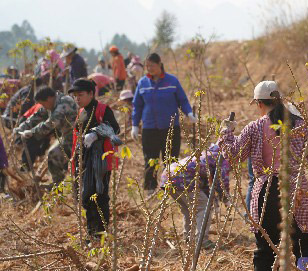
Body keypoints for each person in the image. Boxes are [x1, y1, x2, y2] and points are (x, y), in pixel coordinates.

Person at [218, 80, 308, 271]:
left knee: (265, 245)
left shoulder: (253, 128)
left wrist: (226, 133)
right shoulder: (300, 125)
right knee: (306, 240)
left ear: (259, 104)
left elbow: (233, 156)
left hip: (266, 190)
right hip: (297, 188)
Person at [132, 53, 196, 192]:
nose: (149, 68)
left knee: (171, 159)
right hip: (150, 129)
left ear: (160, 64)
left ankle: (171, 189)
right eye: (147, 66)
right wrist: (135, 125)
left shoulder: (172, 81)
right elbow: (137, 105)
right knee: (150, 159)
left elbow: (182, 100)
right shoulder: (143, 83)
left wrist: (189, 113)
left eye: (152, 65)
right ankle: (150, 189)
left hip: (171, 128)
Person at [69, 79, 121, 239]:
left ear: (91, 94)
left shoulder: (102, 110)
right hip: (83, 160)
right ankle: (92, 233)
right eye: (75, 96)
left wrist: (96, 133)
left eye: (81, 95)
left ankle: (102, 233)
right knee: (86, 196)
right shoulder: (81, 112)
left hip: (100, 161)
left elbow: (115, 128)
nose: (77, 98)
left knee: (100, 196)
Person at [159, 143, 230, 245]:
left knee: (189, 209)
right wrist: (225, 198)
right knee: (204, 207)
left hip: (168, 176)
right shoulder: (221, 158)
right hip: (183, 179)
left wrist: (215, 200)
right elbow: (222, 181)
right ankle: (202, 241)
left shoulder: (205, 154)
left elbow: (207, 184)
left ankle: (188, 237)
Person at [18, 86, 78, 185]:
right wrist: (23, 126)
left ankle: (58, 185)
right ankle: (58, 184)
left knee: (53, 154)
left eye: (43, 103)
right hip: (67, 135)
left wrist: (32, 132)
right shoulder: (53, 102)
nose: (43, 106)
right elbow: (38, 115)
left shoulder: (63, 104)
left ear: (49, 98)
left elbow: (50, 124)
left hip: (76, 136)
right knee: (52, 153)